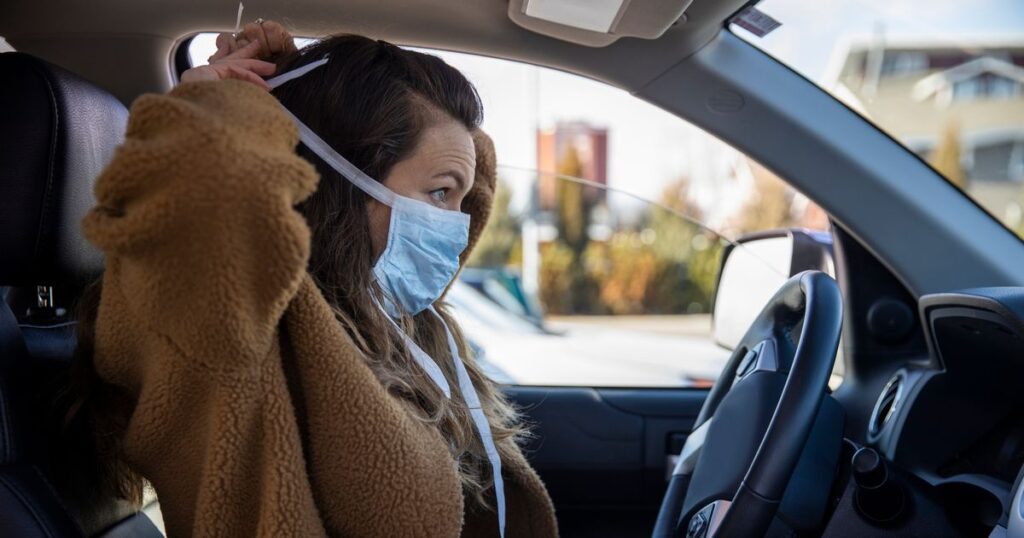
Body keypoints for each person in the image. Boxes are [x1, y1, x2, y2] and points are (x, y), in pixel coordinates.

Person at [69, 19, 559, 537]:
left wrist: (311, 96)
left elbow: (462, 162)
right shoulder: (235, 330)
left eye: (460, 201)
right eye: (441, 195)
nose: (456, 226)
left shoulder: (393, 325)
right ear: (337, 182)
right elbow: (191, 240)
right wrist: (211, 114)